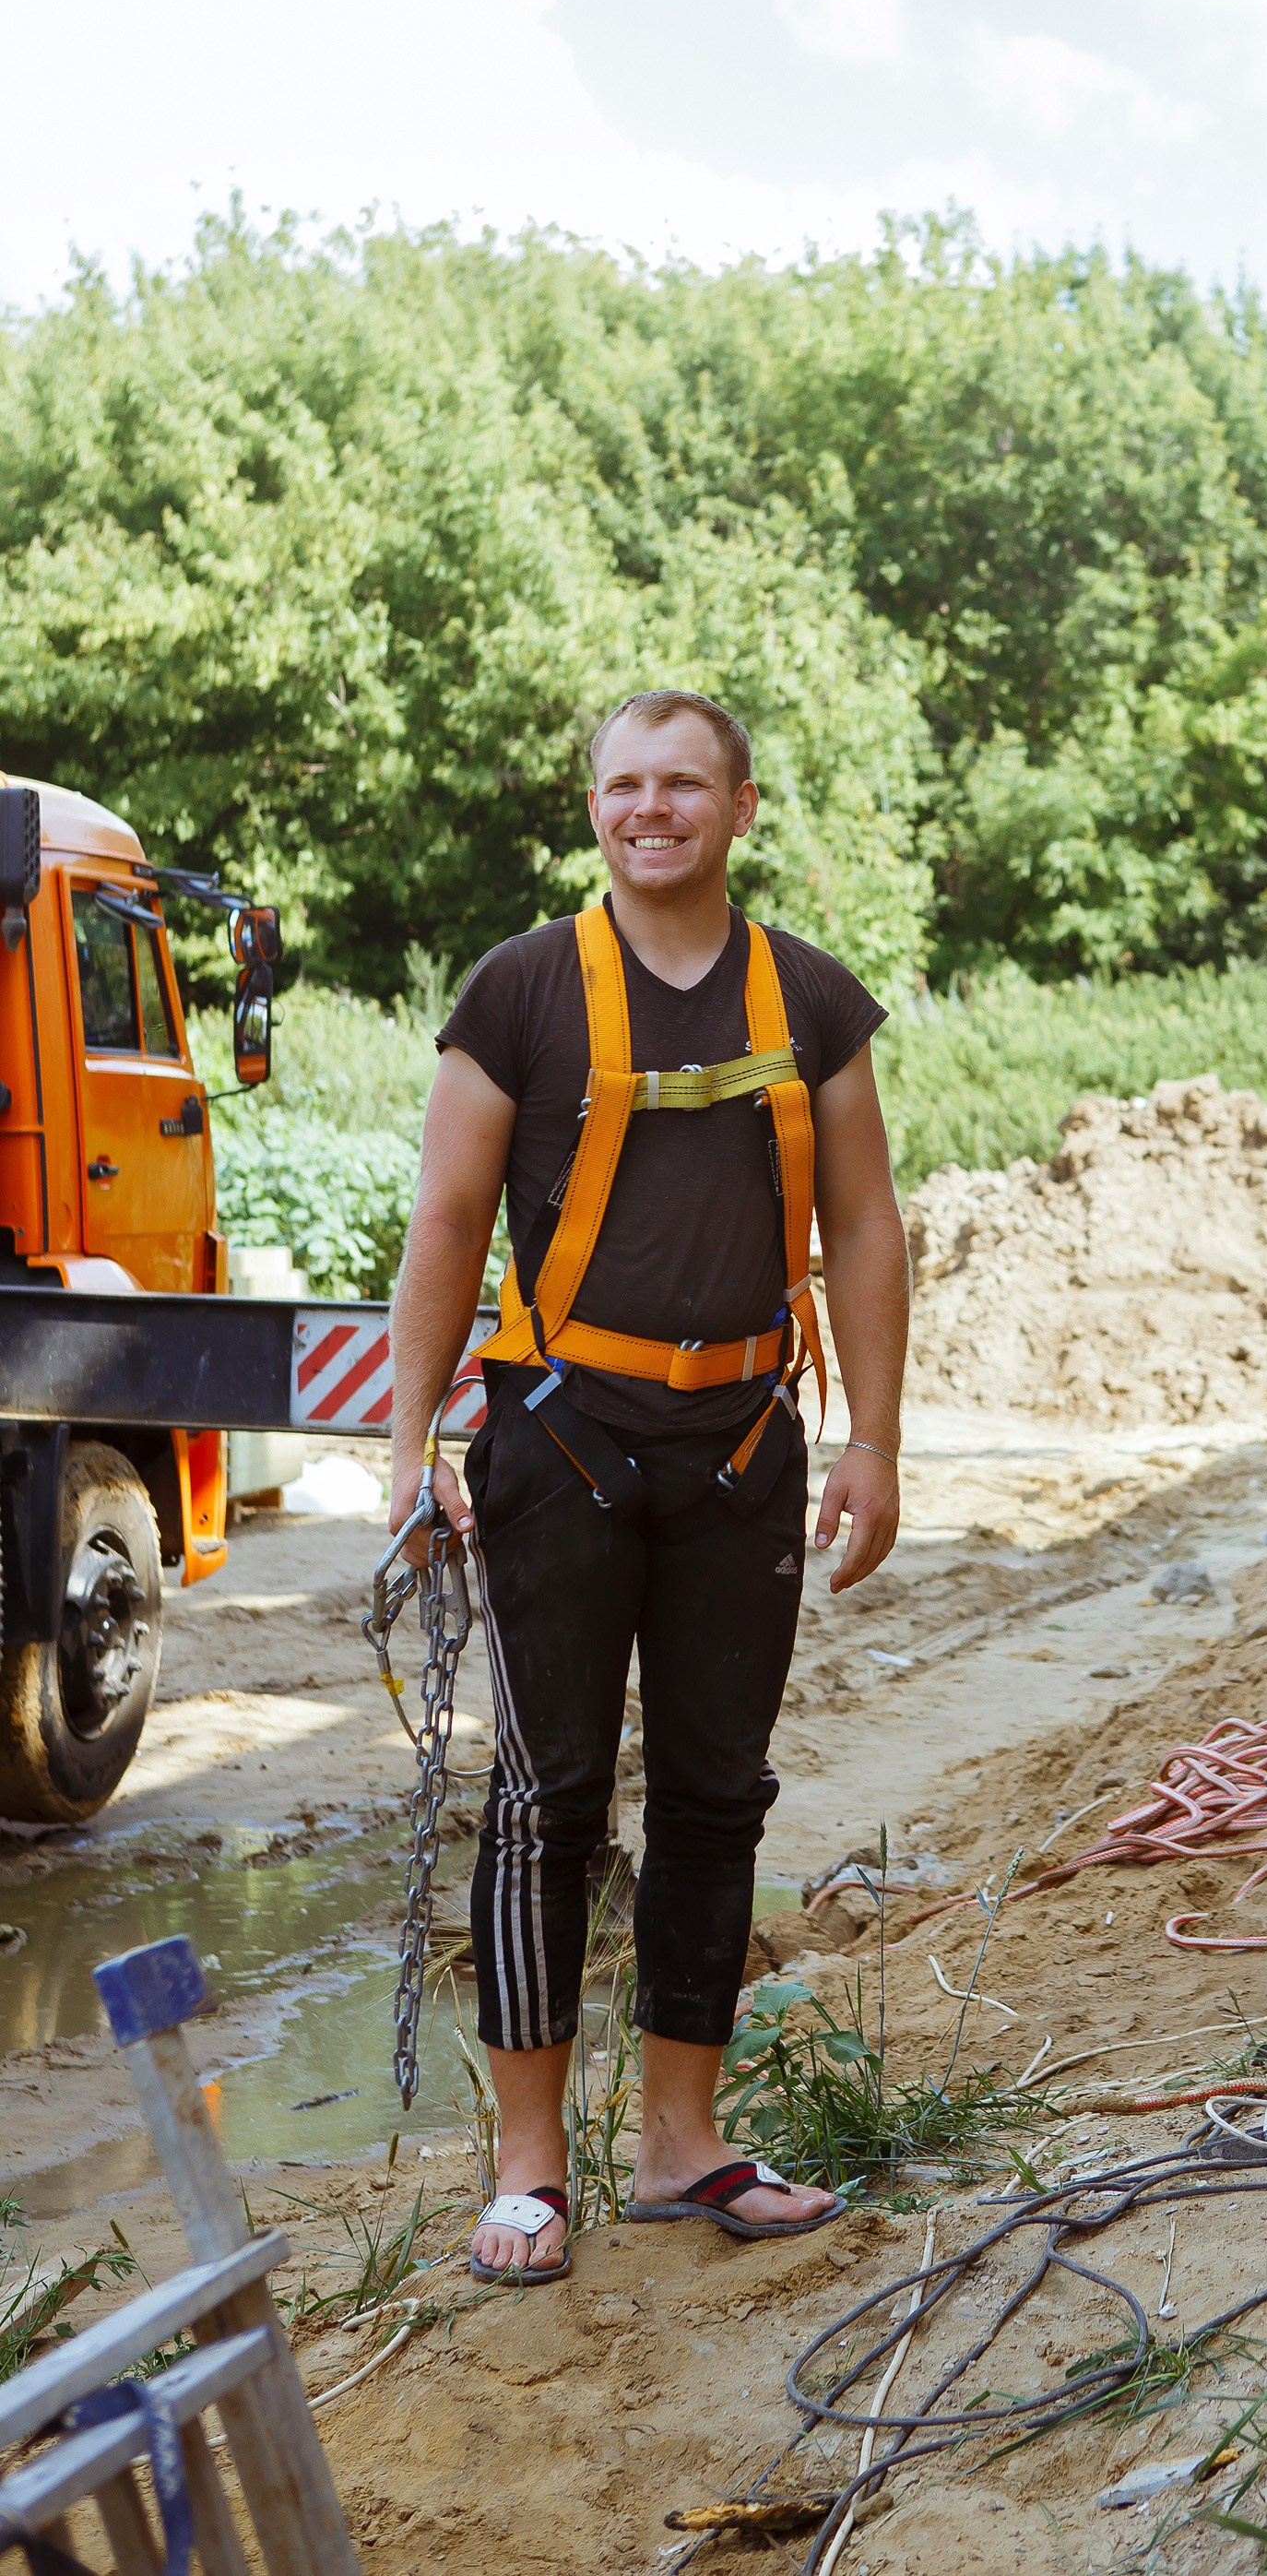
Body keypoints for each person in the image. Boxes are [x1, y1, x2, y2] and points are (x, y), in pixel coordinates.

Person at [388, 688, 911, 2283]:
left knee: (713, 1788)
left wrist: (876, 1437)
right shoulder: (524, 988)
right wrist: (407, 1445)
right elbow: (447, 1218)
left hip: (744, 1439)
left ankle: (685, 2145)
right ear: (593, 804)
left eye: (683, 783)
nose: (649, 808)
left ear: (742, 805)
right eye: (623, 783)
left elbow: (870, 1224)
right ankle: (529, 2169)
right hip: (559, 1432)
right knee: (547, 1792)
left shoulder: (810, 998)